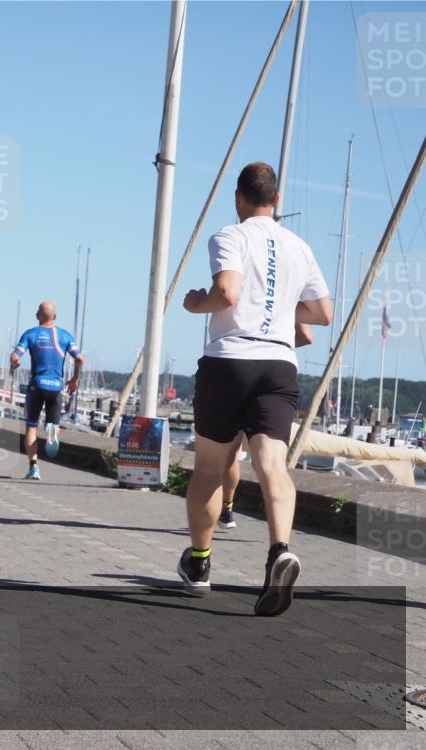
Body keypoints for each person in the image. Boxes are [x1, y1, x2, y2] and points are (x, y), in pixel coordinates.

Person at [179, 162, 331, 617]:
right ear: (277, 200)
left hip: (230, 361)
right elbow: (323, 313)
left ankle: (201, 565)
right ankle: (279, 550)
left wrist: (195, 304)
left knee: (209, 468)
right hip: (278, 365)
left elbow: (226, 293)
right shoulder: (299, 247)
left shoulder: (230, 235)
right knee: (272, 464)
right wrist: (282, 312)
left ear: (238, 198)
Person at [218, 322, 315, 531]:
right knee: (272, 460)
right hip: (278, 371)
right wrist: (275, 345)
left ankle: (226, 508)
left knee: (229, 451)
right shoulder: (285, 294)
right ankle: (279, 539)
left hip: (237, 364)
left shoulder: (244, 293)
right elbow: (307, 335)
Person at [9, 302, 83, 481]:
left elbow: (16, 355)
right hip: (56, 388)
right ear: (55, 317)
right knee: (53, 424)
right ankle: (52, 433)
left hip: (36, 386)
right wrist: (74, 380)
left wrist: (14, 363)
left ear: (37, 316)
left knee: (31, 426)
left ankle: (34, 468)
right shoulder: (65, 336)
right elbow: (80, 358)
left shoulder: (30, 334)